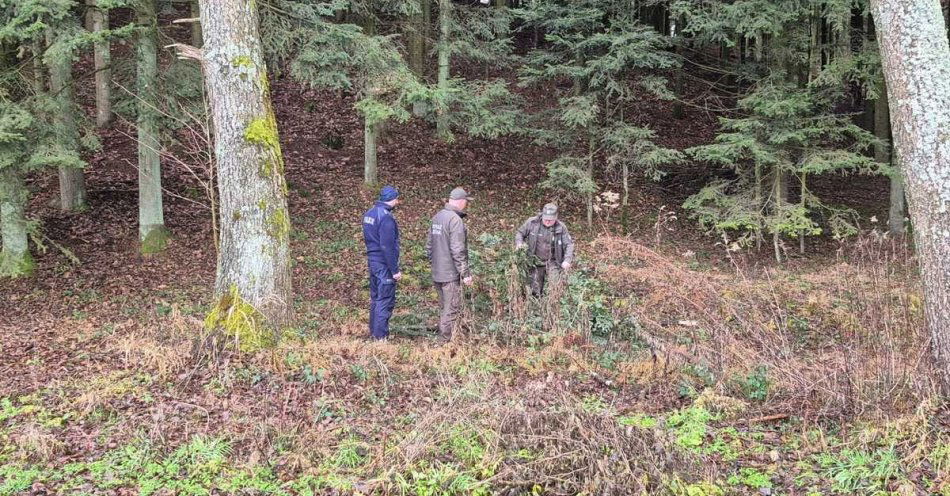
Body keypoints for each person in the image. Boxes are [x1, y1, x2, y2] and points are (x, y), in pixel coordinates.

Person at [426, 187, 474, 341]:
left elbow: (428, 247)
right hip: (450, 274)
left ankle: (452, 334)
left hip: (437, 272)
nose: (466, 204)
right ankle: (445, 342)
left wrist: (435, 264)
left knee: (445, 307)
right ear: (461, 202)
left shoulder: (437, 217)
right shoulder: (455, 220)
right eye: (466, 201)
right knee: (451, 308)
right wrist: (465, 273)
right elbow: (458, 249)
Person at [362, 185, 402, 340]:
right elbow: (387, 246)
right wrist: (394, 270)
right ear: (393, 199)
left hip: (373, 262)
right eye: (397, 199)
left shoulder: (369, 213)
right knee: (385, 299)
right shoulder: (386, 217)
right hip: (383, 264)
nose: (398, 202)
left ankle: (374, 332)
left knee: (376, 298)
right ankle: (380, 337)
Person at [515, 203, 575, 297]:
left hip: (553, 261)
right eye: (546, 219)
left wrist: (567, 260)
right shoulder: (532, 223)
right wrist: (519, 243)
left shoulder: (561, 227)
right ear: (542, 215)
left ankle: (553, 306)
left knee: (555, 286)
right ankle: (537, 306)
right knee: (535, 289)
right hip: (535, 260)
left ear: (556, 218)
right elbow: (520, 233)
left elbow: (569, 244)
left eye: (550, 220)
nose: (547, 221)